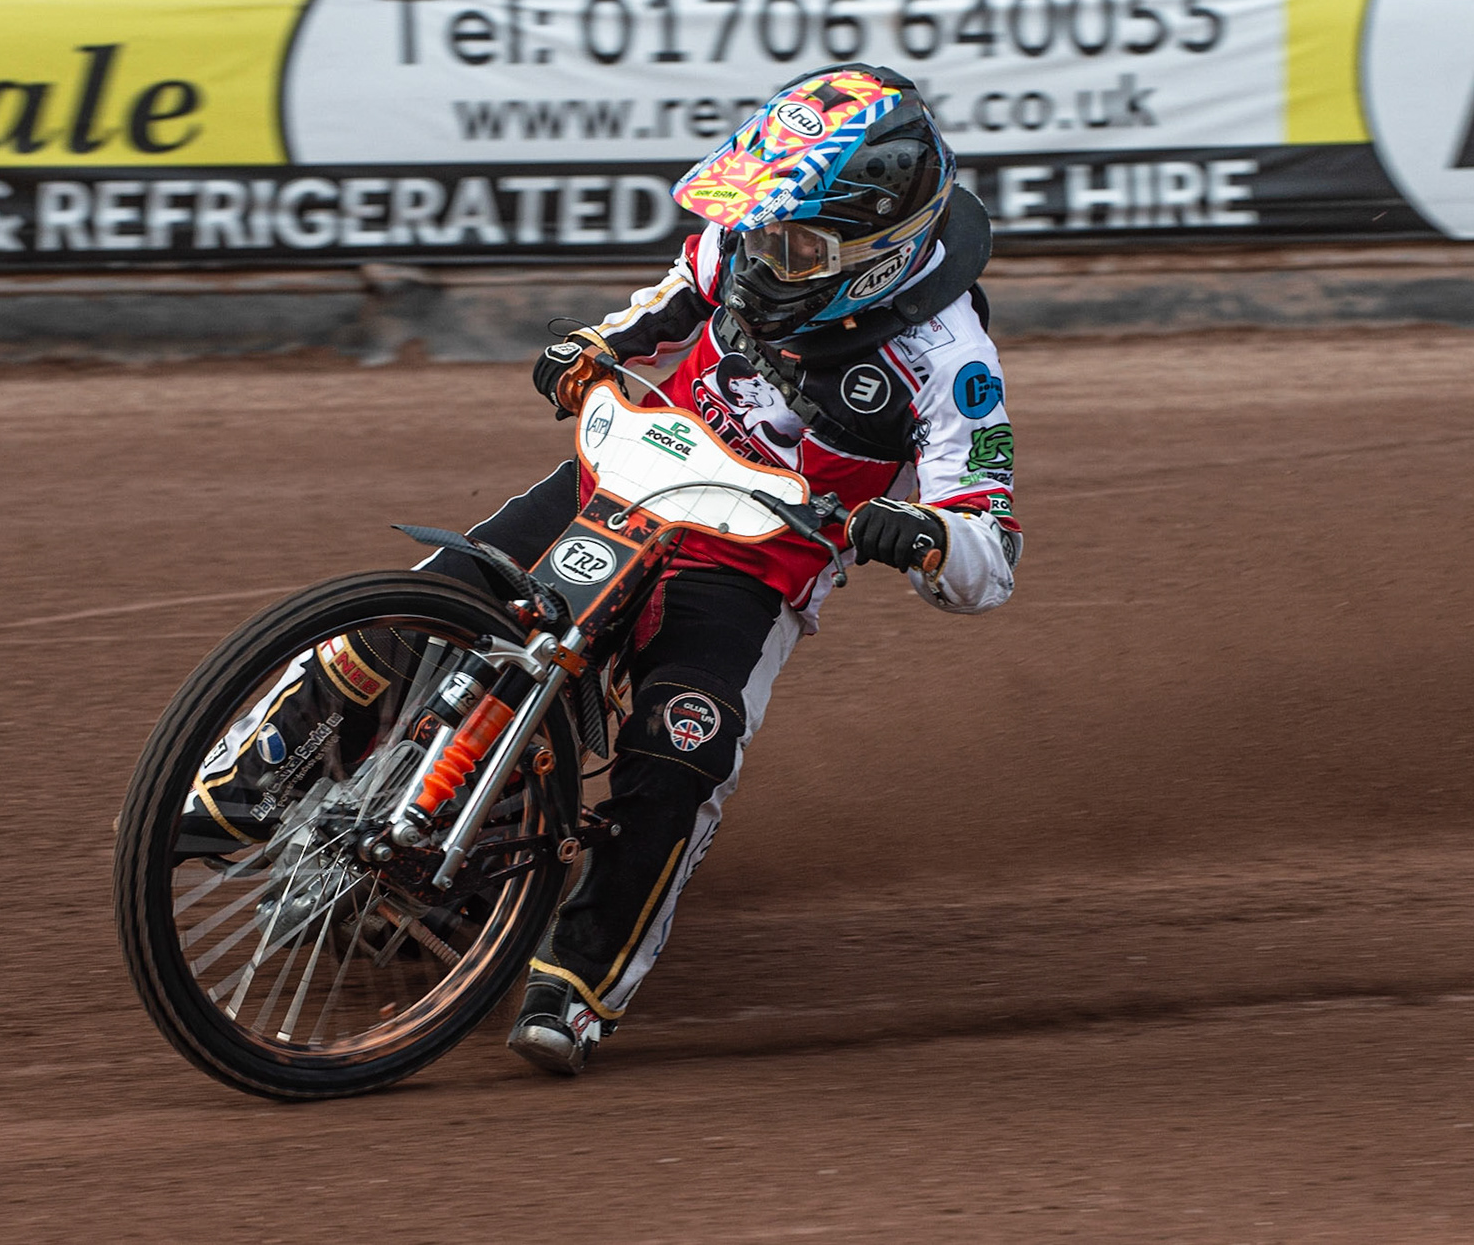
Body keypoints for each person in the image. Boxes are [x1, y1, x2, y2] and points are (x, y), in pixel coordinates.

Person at [182, 65, 1020, 1077]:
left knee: (683, 750)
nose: (758, 258)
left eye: (793, 248)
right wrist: (591, 344)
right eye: (757, 233)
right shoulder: (751, 236)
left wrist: (922, 536)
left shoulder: (950, 362)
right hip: (626, 473)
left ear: (878, 254)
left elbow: (990, 554)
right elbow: (672, 297)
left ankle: (579, 983)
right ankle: (233, 789)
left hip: (751, 563)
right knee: (422, 603)